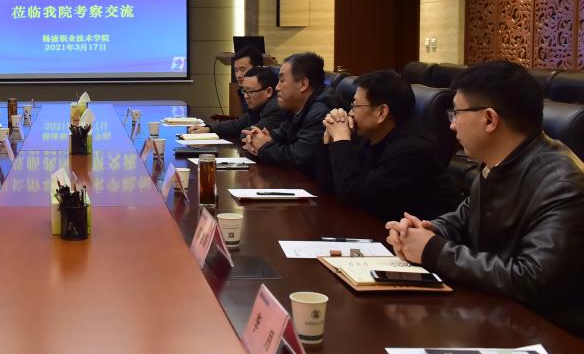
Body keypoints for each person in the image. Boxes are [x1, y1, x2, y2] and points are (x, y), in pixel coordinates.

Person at [387, 61, 584, 336]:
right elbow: (464, 218)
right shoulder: (499, 162)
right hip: (499, 315)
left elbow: (532, 279)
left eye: (457, 113)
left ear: (489, 119)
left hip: (550, 337)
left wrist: (433, 251)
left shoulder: (562, 183)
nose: (452, 125)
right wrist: (426, 231)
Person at [316, 70, 459, 222]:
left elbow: (353, 196)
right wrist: (330, 139)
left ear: (381, 113)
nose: (350, 112)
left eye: (356, 105)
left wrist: (341, 140)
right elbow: (328, 185)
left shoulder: (413, 150)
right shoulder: (369, 136)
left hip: (419, 232)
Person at [243, 52, 339, 177]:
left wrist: (264, 146)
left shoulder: (321, 113)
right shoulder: (296, 108)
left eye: (282, 81)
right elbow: (280, 134)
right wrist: (257, 137)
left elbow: (299, 157)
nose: (277, 87)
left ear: (303, 84)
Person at [188, 46, 268, 136]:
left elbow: (252, 131)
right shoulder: (244, 91)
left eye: (243, 70)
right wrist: (208, 129)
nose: (238, 75)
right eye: (236, 70)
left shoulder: (270, 97)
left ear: (257, 69)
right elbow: (243, 122)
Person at [195, 67, 285, 141]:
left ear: (268, 92)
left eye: (249, 91)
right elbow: (238, 124)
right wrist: (208, 128)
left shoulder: (276, 108)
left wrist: (243, 131)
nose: (245, 96)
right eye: (244, 91)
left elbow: (249, 135)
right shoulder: (258, 106)